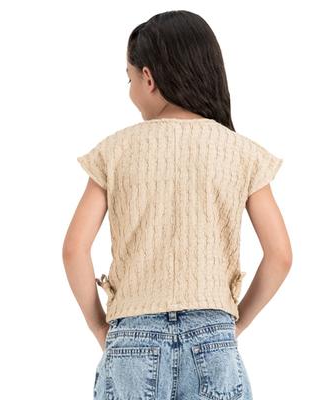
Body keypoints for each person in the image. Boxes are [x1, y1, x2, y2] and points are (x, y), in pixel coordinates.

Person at [62, 10, 292, 400]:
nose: (130, 90)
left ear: (148, 78)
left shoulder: (114, 152)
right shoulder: (241, 154)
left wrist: (100, 327)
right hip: (213, 336)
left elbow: (74, 249)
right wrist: (233, 326)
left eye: (129, 79)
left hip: (132, 337)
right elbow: (280, 255)